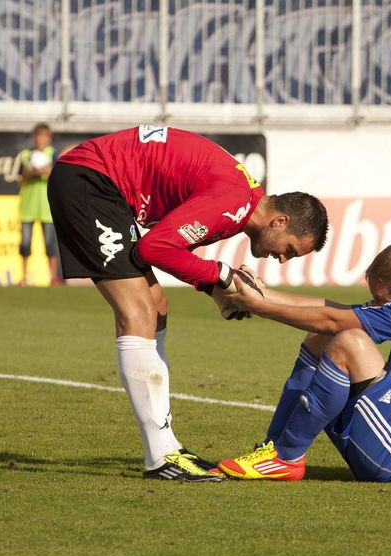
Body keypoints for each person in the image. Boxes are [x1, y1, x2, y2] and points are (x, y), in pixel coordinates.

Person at [47, 125, 329, 482]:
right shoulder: (233, 203)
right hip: (91, 180)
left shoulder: (241, 202)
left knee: (157, 306)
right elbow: (154, 249)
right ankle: (160, 456)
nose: (282, 259)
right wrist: (221, 275)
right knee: (138, 311)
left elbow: (172, 251)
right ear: (280, 221)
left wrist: (214, 289)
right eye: (289, 249)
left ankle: (168, 446)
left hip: (102, 184)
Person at [217, 243, 391, 483]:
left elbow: (335, 320)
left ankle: (286, 457)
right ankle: (272, 450)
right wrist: (263, 294)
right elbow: (339, 313)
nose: (377, 303)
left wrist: (259, 307)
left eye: (380, 298)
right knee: (327, 335)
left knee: (349, 342)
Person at [19, 123, 61, 286]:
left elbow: (58, 178)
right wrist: (29, 173)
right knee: (25, 243)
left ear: (48, 138)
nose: (40, 139)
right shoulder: (25, 155)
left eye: (43, 136)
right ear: (34, 137)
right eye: (38, 136)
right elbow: (21, 181)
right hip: (28, 207)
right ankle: (23, 277)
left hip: (46, 207)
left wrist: (47, 171)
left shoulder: (52, 155)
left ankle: (53, 277)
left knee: (50, 244)